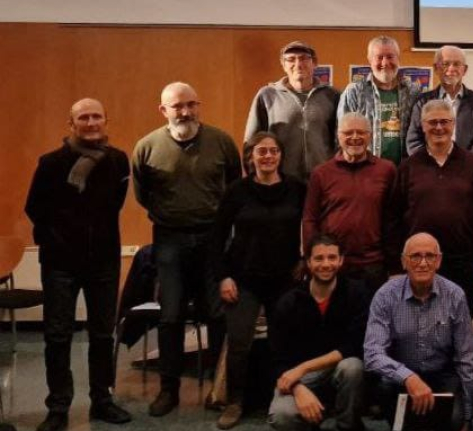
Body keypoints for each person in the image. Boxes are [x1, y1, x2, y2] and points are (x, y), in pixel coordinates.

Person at [132, 82, 241, 417]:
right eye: (178, 106)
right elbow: (142, 194)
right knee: (171, 315)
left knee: (218, 314)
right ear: (163, 110)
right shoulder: (147, 147)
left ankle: (219, 388)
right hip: (170, 240)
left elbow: (234, 187)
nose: (186, 112)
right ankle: (169, 390)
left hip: (213, 239)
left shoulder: (221, 142)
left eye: (191, 104)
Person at [25, 98, 132, 431]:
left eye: (96, 116)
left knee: (102, 334)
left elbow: (114, 205)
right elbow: (34, 208)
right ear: (71, 124)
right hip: (60, 263)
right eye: (83, 117)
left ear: (105, 121)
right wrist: (57, 239)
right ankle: (58, 407)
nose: (91, 122)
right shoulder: (51, 163)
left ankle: (102, 400)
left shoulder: (118, 161)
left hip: (103, 261)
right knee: (58, 336)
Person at [211, 132, 306, 428]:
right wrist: (223, 277)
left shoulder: (297, 189)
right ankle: (234, 402)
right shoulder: (236, 191)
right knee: (239, 343)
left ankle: (279, 398)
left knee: (283, 342)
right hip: (243, 279)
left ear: (281, 155)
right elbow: (216, 237)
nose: (268, 156)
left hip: (284, 279)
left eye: (273, 151)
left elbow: (311, 227)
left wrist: (305, 260)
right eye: (261, 151)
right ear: (250, 157)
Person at [365, 233, 473, 431]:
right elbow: (372, 353)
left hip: (442, 375)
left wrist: (467, 417)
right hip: (400, 377)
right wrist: (408, 377)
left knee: (453, 422)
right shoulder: (385, 295)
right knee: (404, 421)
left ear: (439, 261)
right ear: (404, 261)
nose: (423, 263)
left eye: (430, 256)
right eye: (415, 256)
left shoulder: (455, 295)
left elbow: (466, 358)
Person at [396, 99, 473, 313]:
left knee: (460, 322)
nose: (439, 127)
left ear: (453, 124)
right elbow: (393, 217)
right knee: (418, 321)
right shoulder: (408, 167)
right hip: (419, 263)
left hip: (462, 262)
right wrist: (397, 264)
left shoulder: (472, 164)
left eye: (444, 122)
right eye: (432, 122)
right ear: (422, 125)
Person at [268, 234, 370, 431]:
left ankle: (347, 426)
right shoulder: (288, 302)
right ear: (308, 262)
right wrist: (297, 388)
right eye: (319, 258)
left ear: (341, 260)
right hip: (301, 378)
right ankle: (312, 420)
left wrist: (304, 367)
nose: (326, 264)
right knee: (282, 416)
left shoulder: (357, 293)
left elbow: (354, 346)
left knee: (353, 367)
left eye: (332, 257)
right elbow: (276, 358)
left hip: (337, 371)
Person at [303, 113, 398, 291]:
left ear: (370, 136)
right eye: (348, 133)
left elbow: (392, 221)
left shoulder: (386, 170)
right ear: (338, 136)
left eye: (361, 132)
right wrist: (311, 260)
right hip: (332, 265)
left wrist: (395, 267)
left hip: (373, 265)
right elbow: (310, 219)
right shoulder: (321, 174)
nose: (355, 137)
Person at [244, 41, 339, 180]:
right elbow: (251, 143)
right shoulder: (267, 95)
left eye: (304, 58)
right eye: (291, 59)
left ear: (314, 63)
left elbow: (340, 140)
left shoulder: (332, 95)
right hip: (280, 182)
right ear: (283, 65)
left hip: (323, 180)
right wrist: (255, 180)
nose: (298, 64)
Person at [337, 35, 415, 165]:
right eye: (379, 57)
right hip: (365, 170)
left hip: (405, 170)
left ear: (398, 58)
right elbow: (342, 136)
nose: (385, 63)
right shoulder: (354, 92)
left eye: (390, 57)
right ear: (370, 60)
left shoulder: (413, 92)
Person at [406, 45, 473, 161]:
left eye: (456, 64)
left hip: (466, 168)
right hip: (429, 168)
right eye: (445, 64)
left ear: (465, 70)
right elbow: (414, 140)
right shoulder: (422, 102)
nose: (451, 69)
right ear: (436, 68)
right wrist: (430, 164)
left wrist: (467, 164)